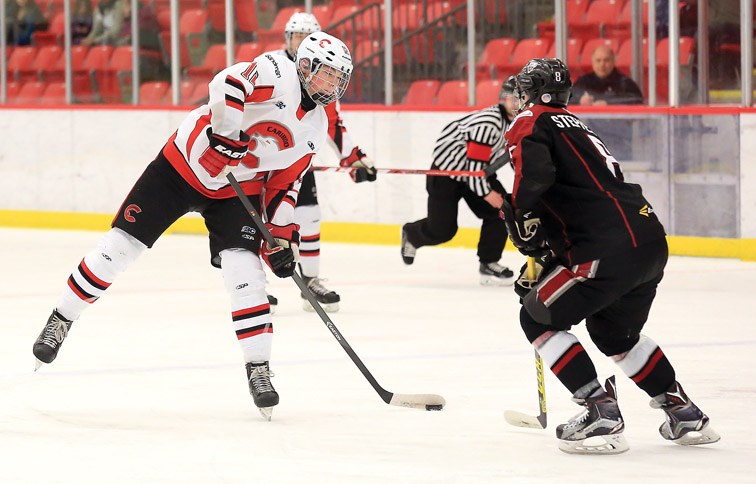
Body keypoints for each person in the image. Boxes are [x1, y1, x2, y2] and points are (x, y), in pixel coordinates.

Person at [32, 31, 353, 421]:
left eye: (339, 78)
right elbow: (227, 83)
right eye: (326, 75)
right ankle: (61, 319)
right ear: (304, 66)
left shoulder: (316, 127)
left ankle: (259, 368)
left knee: (246, 274)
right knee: (120, 248)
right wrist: (226, 135)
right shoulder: (276, 70)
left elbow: (287, 183)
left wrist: (282, 237)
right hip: (182, 166)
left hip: (237, 190)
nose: (332, 85)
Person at [502, 58, 720, 454]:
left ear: (534, 92)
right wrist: (545, 255)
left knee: (535, 317)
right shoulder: (576, 126)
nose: (518, 98)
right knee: (615, 335)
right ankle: (683, 411)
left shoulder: (530, 120)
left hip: (605, 249)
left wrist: (520, 218)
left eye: (523, 90)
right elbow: (579, 196)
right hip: (648, 241)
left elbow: (534, 180)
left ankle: (599, 409)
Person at [263, 12, 377, 313]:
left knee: (310, 215)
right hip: (261, 158)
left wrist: (354, 159)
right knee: (256, 223)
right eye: (295, 36)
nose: (299, 41)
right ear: (288, 38)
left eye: (305, 36)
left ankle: (310, 282)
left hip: (297, 158)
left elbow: (331, 120)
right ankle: (256, 287)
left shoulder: (324, 72)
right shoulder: (271, 64)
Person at [400, 76, 517, 286]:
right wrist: (490, 195)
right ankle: (412, 234)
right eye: (513, 99)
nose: (518, 104)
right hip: (447, 175)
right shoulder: (489, 123)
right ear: (503, 99)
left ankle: (489, 262)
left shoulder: (515, 123)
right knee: (443, 230)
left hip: (477, 172)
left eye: (522, 99)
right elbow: (473, 171)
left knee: (502, 212)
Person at [571, 45, 643, 106]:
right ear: (593, 62)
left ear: (613, 61)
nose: (602, 64)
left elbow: (637, 99)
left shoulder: (624, 82)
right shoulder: (584, 81)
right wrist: (580, 99)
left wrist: (608, 103)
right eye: (598, 60)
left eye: (606, 60)